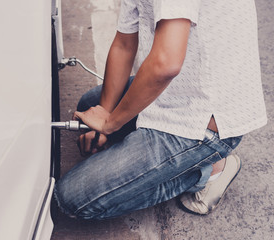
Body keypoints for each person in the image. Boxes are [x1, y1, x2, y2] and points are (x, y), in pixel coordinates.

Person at [54, 0, 267, 219]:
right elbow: (124, 45)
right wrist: (104, 114)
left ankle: (208, 168)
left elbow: (166, 63)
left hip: (206, 120)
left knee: (73, 198)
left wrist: (110, 123)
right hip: (179, 88)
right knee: (88, 107)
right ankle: (166, 160)